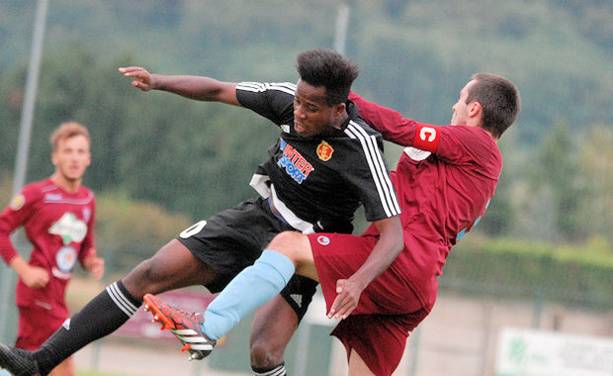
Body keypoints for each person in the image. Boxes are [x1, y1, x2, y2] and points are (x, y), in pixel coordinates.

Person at [0, 49, 402, 376]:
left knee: (263, 353)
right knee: (148, 274)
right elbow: (216, 90)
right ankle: (39, 362)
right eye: (297, 101)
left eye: (311, 108)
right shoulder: (288, 101)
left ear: (338, 109)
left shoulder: (361, 148)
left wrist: (359, 282)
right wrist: (158, 82)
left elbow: (393, 235)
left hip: (304, 250)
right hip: (258, 218)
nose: (298, 112)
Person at [142, 72, 521, 375]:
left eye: (459, 98)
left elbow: (399, 127)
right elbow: (389, 184)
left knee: (288, 245)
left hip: (397, 263)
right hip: (416, 288)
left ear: (473, 110)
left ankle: (207, 327)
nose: (453, 105)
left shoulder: (476, 144)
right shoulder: (462, 166)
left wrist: (334, 99)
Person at [0, 122, 105, 376]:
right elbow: (2, 229)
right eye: (68, 151)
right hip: (37, 294)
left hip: (57, 296)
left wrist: (91, 260)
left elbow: (84, 245)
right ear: (55, 157)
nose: (74, 158)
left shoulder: (87, 200)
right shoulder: (37, 194)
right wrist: (23, 269)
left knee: (26, 365)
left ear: (88, 158)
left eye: (80, 151)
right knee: (62, 362)